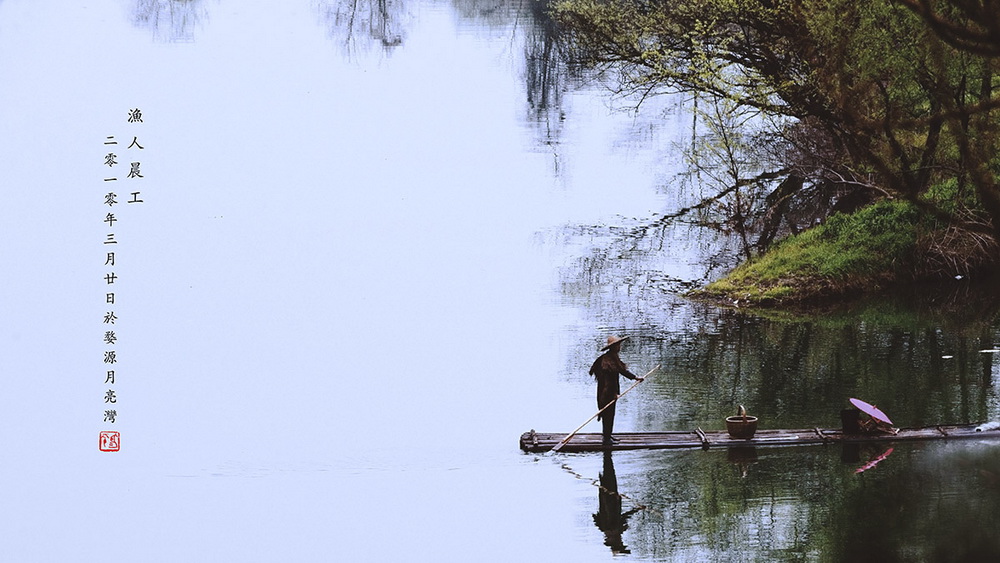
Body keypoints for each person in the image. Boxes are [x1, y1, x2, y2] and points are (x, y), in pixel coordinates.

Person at [590, 336, 643, 445]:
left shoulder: (612, 357)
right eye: (618, 345)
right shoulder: (607, 360)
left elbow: (622, 371)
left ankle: (608, 436)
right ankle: (606, 439)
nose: (620, 347)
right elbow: (608, 381)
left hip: (608, 391)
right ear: (613, 347)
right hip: (606, 392)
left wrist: (635, 377)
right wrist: (613, 394)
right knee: (607, 414)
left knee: (610, 414)